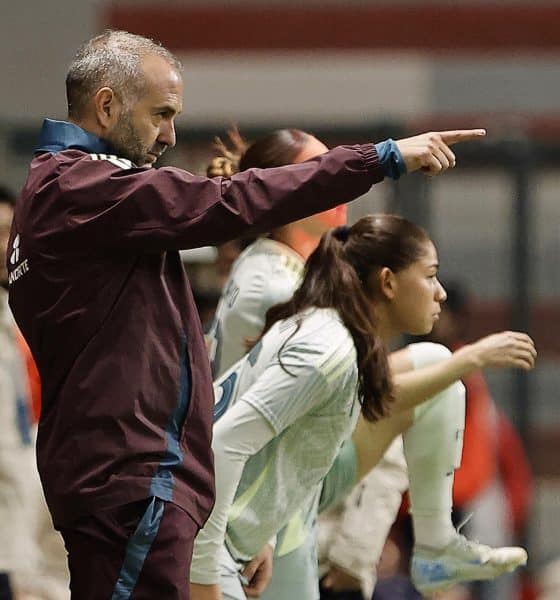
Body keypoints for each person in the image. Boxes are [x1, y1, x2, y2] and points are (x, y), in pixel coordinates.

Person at [7, 29, 488, 598]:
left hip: (142, 482)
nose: (170, 134)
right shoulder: (82, 188)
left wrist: (240, 520)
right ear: (107, 105)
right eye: (161, 113)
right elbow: (229, 203)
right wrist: (381, 158)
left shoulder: (68, 192)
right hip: (134, 481)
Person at [204, 130, 531, 600]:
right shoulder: (281, 293)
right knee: (429, 376)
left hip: (276, 481)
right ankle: (384, 551)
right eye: (319, 174)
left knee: (430, 369)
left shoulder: (286, 269)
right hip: (254, 497)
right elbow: (237, 437)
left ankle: (430, 546)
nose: (336, 185)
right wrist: (470, 360)